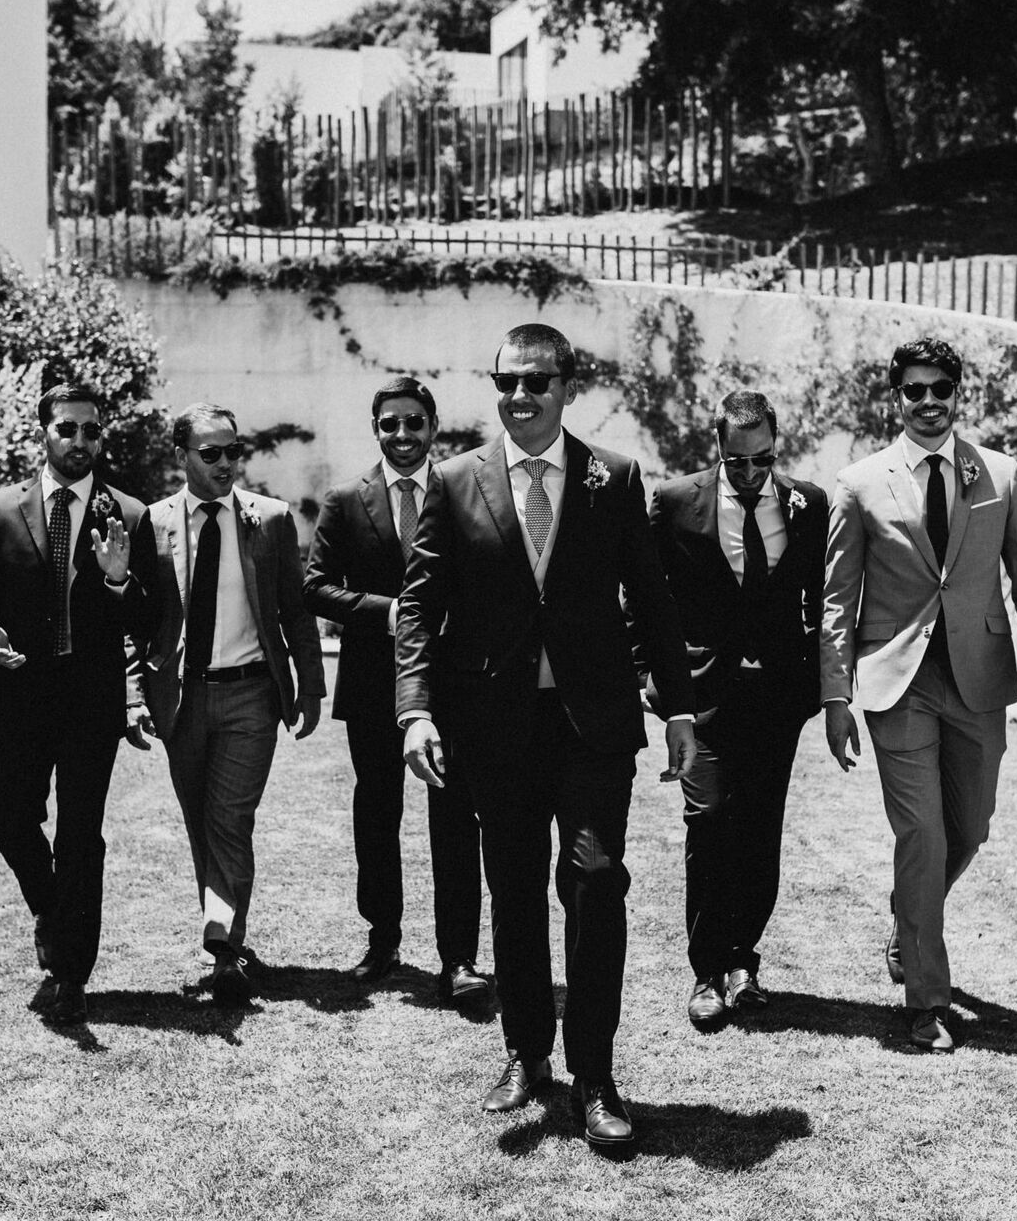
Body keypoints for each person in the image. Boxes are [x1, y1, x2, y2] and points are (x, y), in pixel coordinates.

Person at [396, 323, 695, 1154]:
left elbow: (654, 600)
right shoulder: (454, 482)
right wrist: (415, 710)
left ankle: (595, 1074)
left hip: (592, 727)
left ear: (569, 385)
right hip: (493, 729)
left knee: (597, 883)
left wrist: (677, 710)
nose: (520, 397)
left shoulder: (614, 478)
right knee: (515, 891)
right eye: (506, 382)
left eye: (536, 382)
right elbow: (419, 606)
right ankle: (528, 1054)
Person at [821, 338, 1017, 1053]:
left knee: (970, 829)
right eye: (915, 391)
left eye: (941, 390)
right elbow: (838, 600)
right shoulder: (859, 483)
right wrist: (837, 696)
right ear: (896, 398)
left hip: (980, 680)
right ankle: (927, 1001)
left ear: (960, 395)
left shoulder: (1000, 475)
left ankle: (907, 915)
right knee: (920, 835)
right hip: (897, 683)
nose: (929, 403)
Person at [0, 382, 149, 1026]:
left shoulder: (130, 516)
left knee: (81, 836)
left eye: (92, 431)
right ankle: (52, 914)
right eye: (68, 429)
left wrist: (119, 579)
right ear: (44, 432)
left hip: (91, 703)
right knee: (10, 823)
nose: (80, 442)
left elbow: (149, 618)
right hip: (18, 697)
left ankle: (71, 974)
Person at [125, 403, 326, 1007]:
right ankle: (227, 938)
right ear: (181, 456)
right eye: (209, 453)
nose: (224, 463)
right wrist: (135, 696)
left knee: (230, 817)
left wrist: (310, 686)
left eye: (232, 451)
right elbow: (138, 623)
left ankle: (223, 941)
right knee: (200, 820)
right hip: (181, 699)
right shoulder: (152, 523)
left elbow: (295, 608)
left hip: (251, 695)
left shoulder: (270, 519)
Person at [304, 376, 488, 1005]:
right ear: (375, 429)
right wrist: (387, 611)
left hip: (456, 683)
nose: (402, 435)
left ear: (433, 426)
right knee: (377, 815)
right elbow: (316, 586)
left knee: (457, 819)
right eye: (390, 424)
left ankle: (460, 957)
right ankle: (382, 939)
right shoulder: (344, 501)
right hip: (373, 684)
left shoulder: (468, 491)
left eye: (414, 422)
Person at [648, 390, 827, 1030]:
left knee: (759, 832)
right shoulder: (675, 503)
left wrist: (815, 686)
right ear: (717, 446)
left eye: (764, 460)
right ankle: (704, 973)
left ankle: (744, 961)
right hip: (703, 698)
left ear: (778, 449)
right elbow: (645, 598)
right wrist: (656, 682)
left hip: (777, 699)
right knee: (710, 823)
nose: (751, 474)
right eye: (738, 462)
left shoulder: (810, 505)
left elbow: (816, 601)